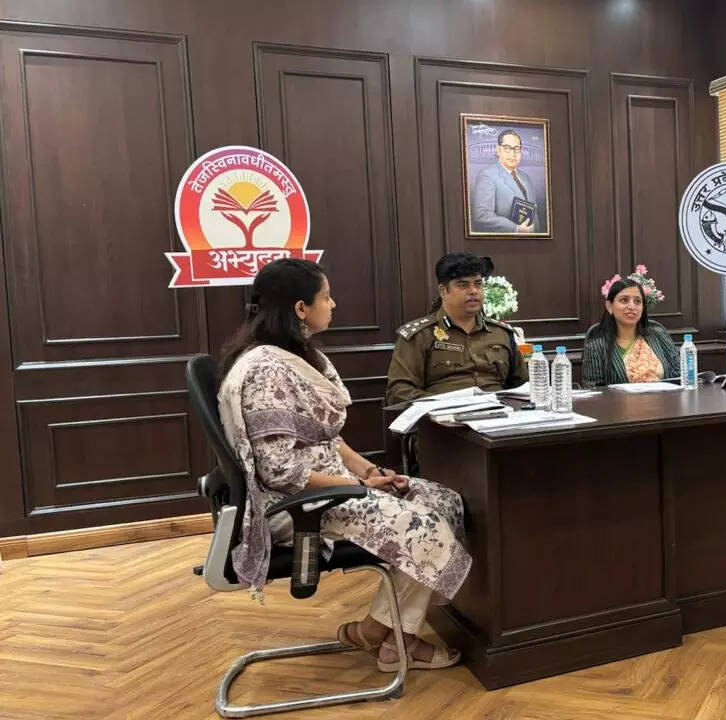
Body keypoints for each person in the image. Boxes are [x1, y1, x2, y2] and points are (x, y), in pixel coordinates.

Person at [217, 258, 471, 673]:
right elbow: (280, 471)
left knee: (445, 502)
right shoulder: (265, 370)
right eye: (326, 297)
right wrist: (357, 486)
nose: (333, 304)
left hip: (336, 485)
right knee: (426, 526)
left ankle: (383, 636)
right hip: (298, 504)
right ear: (301, 309)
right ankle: (390, 640)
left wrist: (370, 472)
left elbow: (326, 437)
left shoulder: (296, 356)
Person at [385, 252, 528, 407]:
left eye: (478, 284)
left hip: (500, 414)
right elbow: (399, 391)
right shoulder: (420, 335)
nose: (473, 291)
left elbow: (523, 385)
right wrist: (443, 406)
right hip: (445, 417)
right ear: (443, 291)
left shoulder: (501, 333)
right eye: (463, 285)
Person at [582, 277, 679, 386]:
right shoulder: (597, 347)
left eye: (637, 301)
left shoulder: (658, 334)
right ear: (610, 306)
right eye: (624, 300)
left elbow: (679, 375)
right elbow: (593, 389)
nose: (632, 306)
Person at [469, 128, 545, 234]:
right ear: (498, 150)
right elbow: (482, 216)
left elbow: (534, 215)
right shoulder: (487, 175)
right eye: (507, 148)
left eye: (517, 148)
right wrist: (516, 229)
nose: (513, 153)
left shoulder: (526, 178)